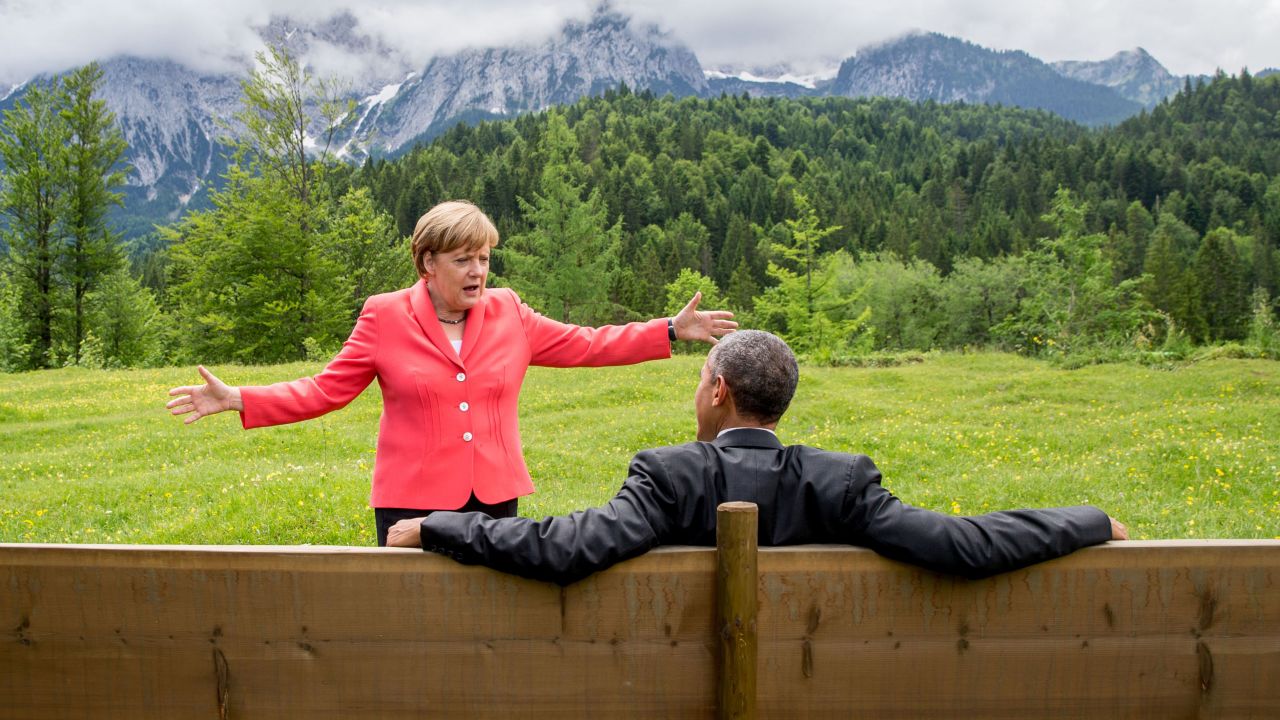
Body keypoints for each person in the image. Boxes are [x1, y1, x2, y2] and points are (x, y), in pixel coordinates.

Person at [166, 200, 737, 546]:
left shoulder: (510, 310)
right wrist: (240, 398)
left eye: (484, 258)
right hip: (410, 499)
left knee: (489, 619)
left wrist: (666, 330)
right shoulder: (384, 315)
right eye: (463, 259)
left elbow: (585, 344)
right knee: (412, 623)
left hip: (493, 496)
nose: (478, 271)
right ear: (427, 263)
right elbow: (325, 389)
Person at [387, 330, 1128, 584]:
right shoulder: (841, 482)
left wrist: (440, 526)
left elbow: (568, 547)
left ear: (716, 391)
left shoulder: (668, 475)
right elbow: (963, 544)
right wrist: (1088, 519)